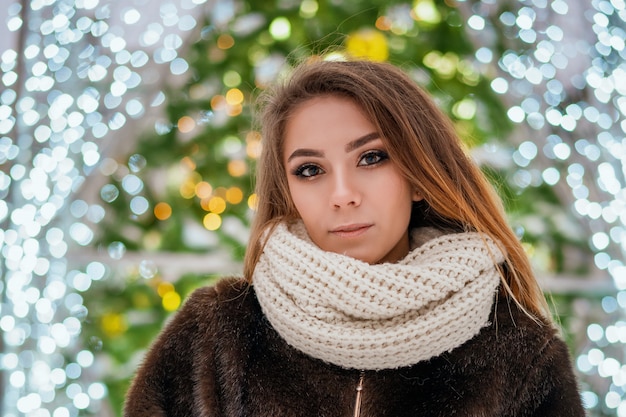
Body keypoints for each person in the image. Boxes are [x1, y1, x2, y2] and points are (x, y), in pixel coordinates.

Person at [123, 58, 585, 416]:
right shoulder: (214, 335)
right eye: (310, 170)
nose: (342, 195)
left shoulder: (521, 353)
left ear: (419, 174)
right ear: (289, 192)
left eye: (371, 158)